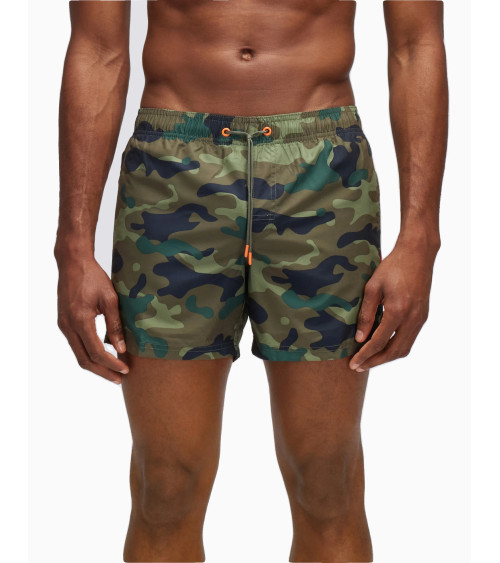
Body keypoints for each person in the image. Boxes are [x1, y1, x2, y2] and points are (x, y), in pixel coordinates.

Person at [54, 1, 448, 561]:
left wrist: (421, 236)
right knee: (166, 485)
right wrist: (73, 245)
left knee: (325, 481)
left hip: (322, 172)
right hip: (171, 170)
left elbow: (417, 44)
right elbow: (97, 48)